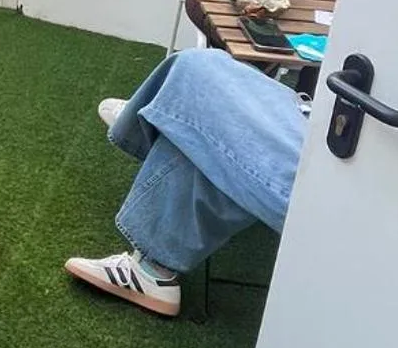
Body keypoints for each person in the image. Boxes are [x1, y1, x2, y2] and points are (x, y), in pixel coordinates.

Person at [64, 52, 307, 320]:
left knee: (205, 125)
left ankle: (152, 271)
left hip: (328, 175)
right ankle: (163, 114)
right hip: (325, 134)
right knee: (203, 62)